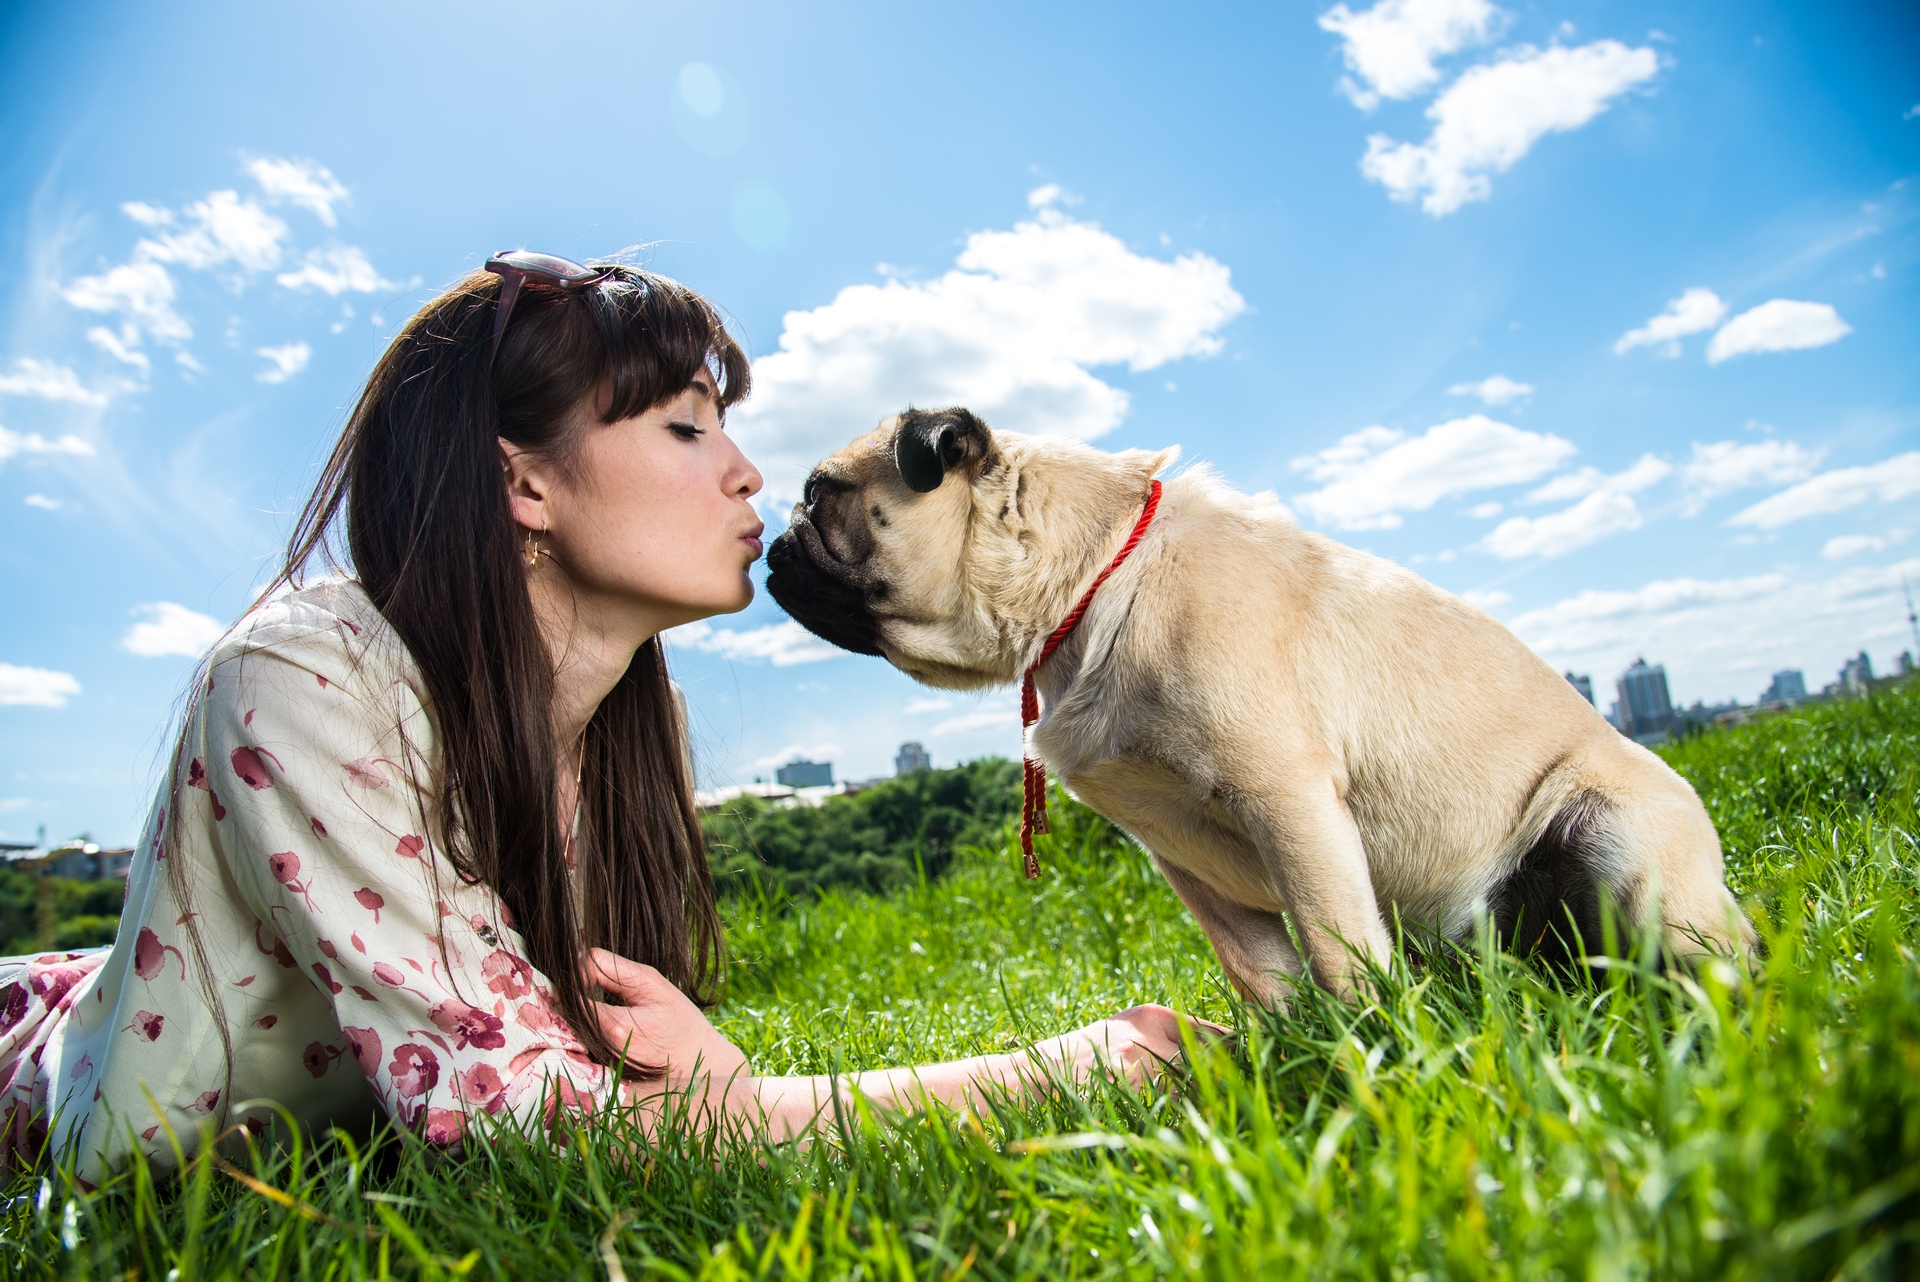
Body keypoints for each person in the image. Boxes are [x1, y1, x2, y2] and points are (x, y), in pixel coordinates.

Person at [0, 252, 1206, 1181]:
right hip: (70, 1085)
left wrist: (713, 1095)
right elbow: (534, 1119)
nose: (744, 472)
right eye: (687, 426)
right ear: (523, 480)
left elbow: (571, 1060)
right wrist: (1058, 1068)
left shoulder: (626, 719)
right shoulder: (305, 679)